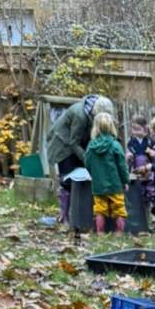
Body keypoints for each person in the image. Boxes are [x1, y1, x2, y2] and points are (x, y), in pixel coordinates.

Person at [46, 93, 114, 223]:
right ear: (96, 114)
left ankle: (82, 214)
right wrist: (88, 160)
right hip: (63, 143)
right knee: (68, 180)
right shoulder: (80, 116)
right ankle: (65, 217)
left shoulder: (99, 107)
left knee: (85, 178)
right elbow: (74, 142)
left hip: (78, 143)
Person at [85, 110, 131, 233]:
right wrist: (125, 181)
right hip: (115, 184)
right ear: (111, 127)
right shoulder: (115, 145)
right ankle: (119, 232)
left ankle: (100, 232)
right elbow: (122, 165)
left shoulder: (91, 146)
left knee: (99, 209)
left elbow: (87, 163)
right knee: (119, 208)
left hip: (98, 184)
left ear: (95, 128)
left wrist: (94, 175)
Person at [127, 116, 152, 180]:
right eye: (133, 129)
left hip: (148, 170)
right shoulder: (131, 142)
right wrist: (129, 157)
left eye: (138, 129)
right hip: (136, 171)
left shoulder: (150, 141)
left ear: (145, 128)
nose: (135, 132)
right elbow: (130, 158)